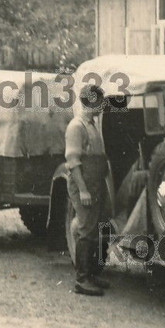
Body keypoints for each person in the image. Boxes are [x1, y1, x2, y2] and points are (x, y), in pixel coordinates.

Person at [66, 84, 113, 296]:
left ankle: (93, 273)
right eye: (99, 102)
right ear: (89, 102)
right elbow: (73, 162)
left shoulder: (92, 125)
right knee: (85, 229)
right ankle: (82, 279)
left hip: (95, 183)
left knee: (96, 227)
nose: (102, 107)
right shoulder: (77, 127)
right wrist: (83, 190)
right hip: (84, 184)